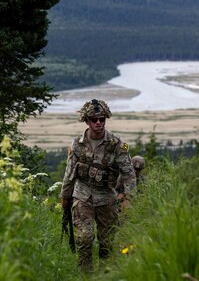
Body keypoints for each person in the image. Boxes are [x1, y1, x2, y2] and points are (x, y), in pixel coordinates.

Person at [60, 99, 136, 272]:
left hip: (106, 197)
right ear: (87, 121)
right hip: (82, 195)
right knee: (84, 238)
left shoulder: (116, 144)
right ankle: (86, 275)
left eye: (102, 119)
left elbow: (128, 173)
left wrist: (128, 198)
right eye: (94, 119)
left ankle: (106, 274)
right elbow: (69, 172)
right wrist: (65, 196)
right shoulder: (77, 144)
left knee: (107, 241)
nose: (98, 123)